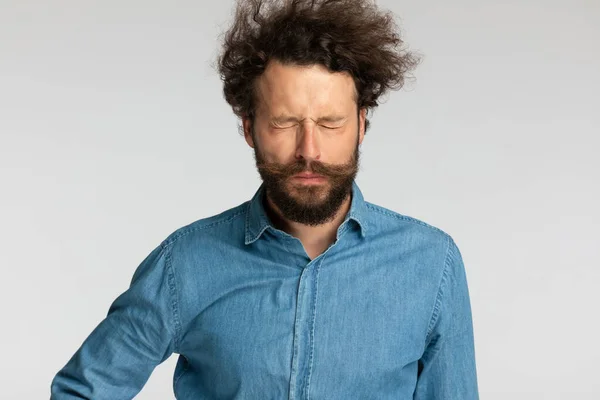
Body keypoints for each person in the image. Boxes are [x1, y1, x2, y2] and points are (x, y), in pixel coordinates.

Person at [50, 0, 479, 398]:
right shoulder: (185, 263)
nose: (309, 150)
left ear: (361, 125)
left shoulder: (431, 263)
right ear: (249, 127)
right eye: (284, 122)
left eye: (330, 123)